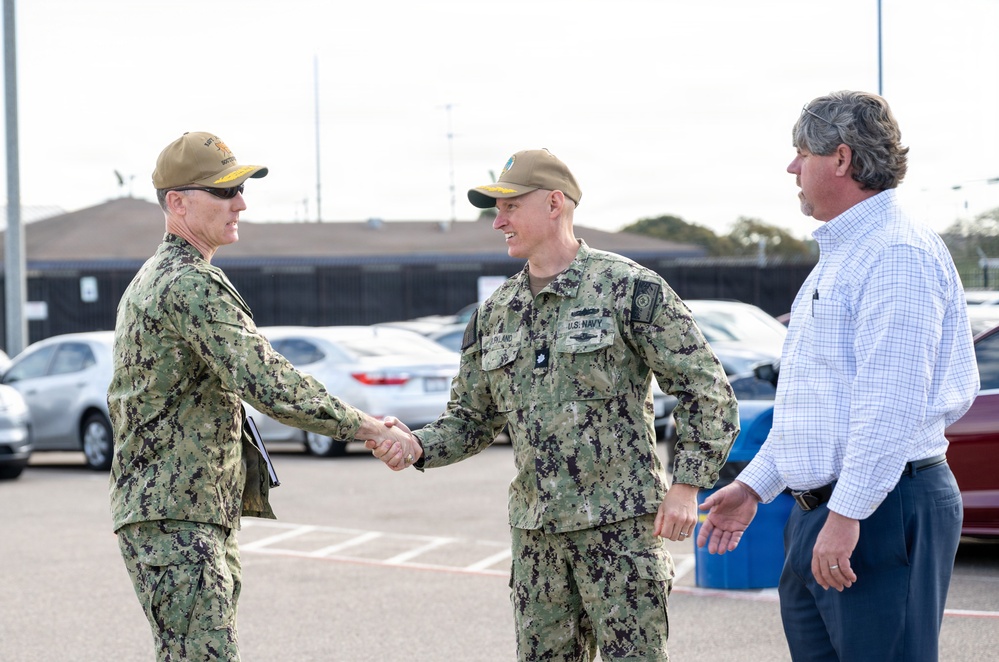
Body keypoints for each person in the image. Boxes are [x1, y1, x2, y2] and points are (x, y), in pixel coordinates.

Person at [369, 148, 740, 660]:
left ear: (554, 204)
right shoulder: (495, 313)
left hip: (620, 531)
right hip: (538, 537)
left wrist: (686, 485)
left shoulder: (629, 288)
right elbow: (471, 420)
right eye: (495, 209)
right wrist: (415, 445)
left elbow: (706, 389)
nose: (498, 221)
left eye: (510, 206)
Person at [696, 91, 980, 662]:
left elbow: (890, 406)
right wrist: (756, 486)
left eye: (802, 153)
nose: (792, 168)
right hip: (829, 511)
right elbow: (814, 405)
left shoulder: (896, 253)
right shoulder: (847, 254)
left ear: (842, 160)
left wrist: (847, 514)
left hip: (877, 510)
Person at [108, 131, 411, 662]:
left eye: (241, 189)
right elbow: (269, 382)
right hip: (180, 518)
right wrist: (368, 428)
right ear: (176, 203)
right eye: (225, 192)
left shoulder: (161, 278)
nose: (241, 202)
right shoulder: (187, 284)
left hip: (185, 512)